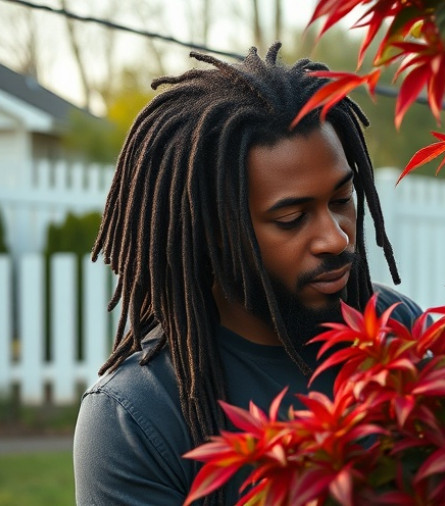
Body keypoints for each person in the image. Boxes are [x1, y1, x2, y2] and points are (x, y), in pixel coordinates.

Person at [73, 43, 424, 505]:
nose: (336, 240)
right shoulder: (140, 418)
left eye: (341, 201)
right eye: (292, 219)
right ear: (216, 232)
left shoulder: (399, 329)